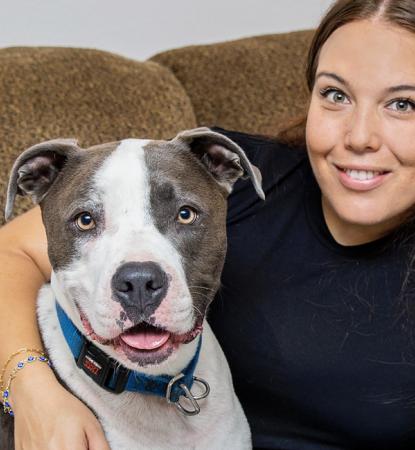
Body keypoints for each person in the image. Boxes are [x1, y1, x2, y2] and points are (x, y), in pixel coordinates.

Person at [2, 0, 415, 448]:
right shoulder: (222, 175)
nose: (359, 137)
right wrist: (28, 385)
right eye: (335, 94)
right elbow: (11, 251)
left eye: (403, 104)